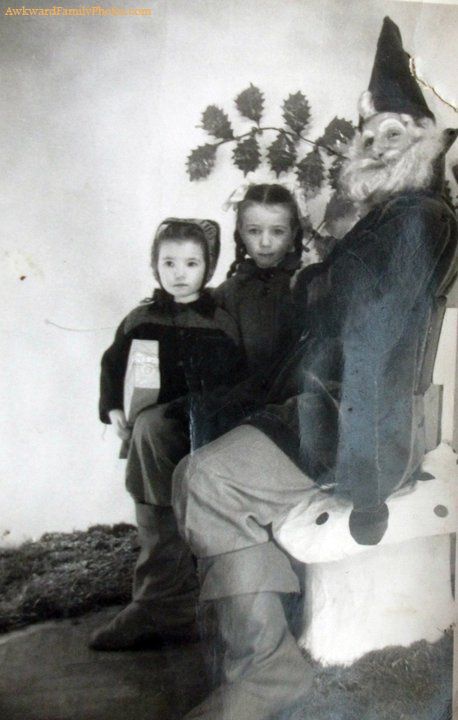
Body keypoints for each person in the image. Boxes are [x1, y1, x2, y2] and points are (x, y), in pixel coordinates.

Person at [172, 17, 458, 719]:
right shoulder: (397, 217)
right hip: (326, 403)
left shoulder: (416, 219)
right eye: (369, 137)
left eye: (393, 134)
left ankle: (268, 673)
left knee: (206, 479)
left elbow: (369, 340)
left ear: (426, 142)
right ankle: (257, 656)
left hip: (356, 418)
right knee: (192, 457)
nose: (375, 147)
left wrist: (365, 478)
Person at [90, 218, 245, 651]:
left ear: (208, 267)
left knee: (204, 506)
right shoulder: (141, 319)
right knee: (155, 489)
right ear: (154, 266)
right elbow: (112, 366)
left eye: (191, 263)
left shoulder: (220, 324)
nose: (179, 273)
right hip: (155, 437)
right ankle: (159, 603)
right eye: (169, 262)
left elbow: (234, 382)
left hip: (206, 430)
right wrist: (113, 408)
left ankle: (207, 604)